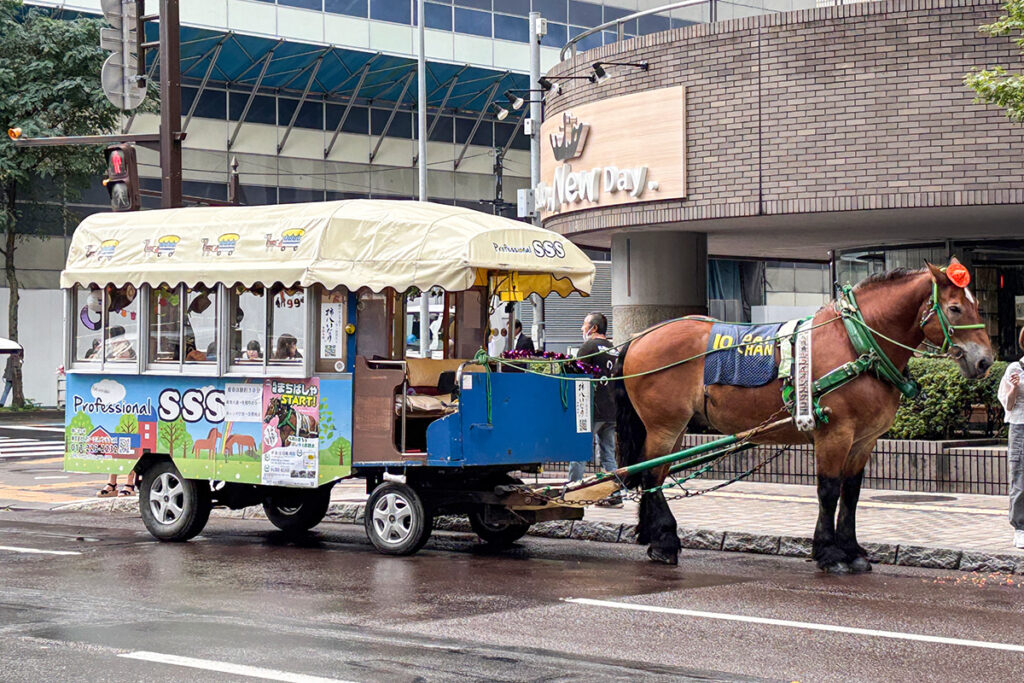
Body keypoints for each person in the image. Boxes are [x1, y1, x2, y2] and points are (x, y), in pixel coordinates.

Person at [569, 312, 622, 508]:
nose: (582, 328)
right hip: (612, 409)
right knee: (608, 453)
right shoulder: (615, 349)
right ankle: (615, 494)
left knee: (579, 450)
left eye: (585, 324)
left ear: (594, 328)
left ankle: (573, 492)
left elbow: (576, 374)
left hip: (592, 408)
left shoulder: (589, 347)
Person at [996, 327, 1024, 550]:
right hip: (1020, 426)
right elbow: (1008, 404)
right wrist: (1014, 388)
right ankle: (1020, 528)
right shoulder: (1015, 368)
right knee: (1020, 478)